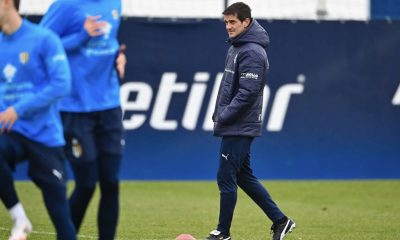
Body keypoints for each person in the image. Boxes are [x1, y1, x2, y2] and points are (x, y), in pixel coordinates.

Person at [206, 2, 295, 240]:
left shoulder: (252, 52)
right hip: (236, 123)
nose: (228, 27)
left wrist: (223, 116)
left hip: (239, 124)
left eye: (232, 22)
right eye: (226, 22)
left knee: (226, 176)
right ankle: (281, 220)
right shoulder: (237, 48)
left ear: (246, 22)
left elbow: (247, 93)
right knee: (243, 176)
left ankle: (222, 233)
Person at [40, 0, 125, 239]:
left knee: (111, 182)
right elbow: (42, 47)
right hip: (75, 109)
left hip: (109, 106)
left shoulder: (115, 3)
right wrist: (80, 36)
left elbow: (110, 41)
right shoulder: (65, 6)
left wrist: (118, 56)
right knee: (86, 184)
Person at [0, 0, 77, 239]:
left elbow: (61, 84)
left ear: (6, 3)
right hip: (11, 132)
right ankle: (20, 219)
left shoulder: (44, 39)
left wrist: (18, 108)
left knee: (61, 218)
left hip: (45, 136)